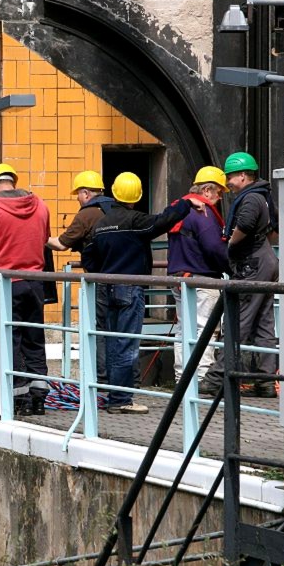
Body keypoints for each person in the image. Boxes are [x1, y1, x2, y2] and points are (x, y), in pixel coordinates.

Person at [84, 172, 201, 414]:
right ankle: (121, 399)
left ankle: (113, 394)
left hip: (105, 287)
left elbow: (89, 259)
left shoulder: (101, 225)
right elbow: (162, 221)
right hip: (129, 288)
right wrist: (186, 203)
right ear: (136, 197)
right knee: (126, 344)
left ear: (114, 193)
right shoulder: (135, 220)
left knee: (112, 342)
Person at [0, 164, 51, 416]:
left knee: (10, 339)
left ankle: (18, 395)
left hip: (6, 283)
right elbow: (45, 237)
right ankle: (39, 396)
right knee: (35, 338)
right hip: (35, 281)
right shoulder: (40, 205)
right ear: (13, 183)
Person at [199, 152, 279, 398]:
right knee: (264, 322)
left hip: (252, 263)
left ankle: (217, 377)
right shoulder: (263, 195)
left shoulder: (251, 199)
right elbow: (274, 232)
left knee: (238, 319)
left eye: (231, 177)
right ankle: (265, 380)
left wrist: (230, 246)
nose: (228, 184)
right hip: (265, 260)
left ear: (243, 175)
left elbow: (243, 226)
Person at [46, 170, 115, 382]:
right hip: (125, 278)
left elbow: (61, 244)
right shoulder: (116, 208)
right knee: (121, 332)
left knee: (100, 331)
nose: (77, 198)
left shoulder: (87, 214)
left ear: (86, 193)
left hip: (100, 280)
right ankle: (122, 382)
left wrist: (37, 235)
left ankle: (101, 381)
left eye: (78, 193)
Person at [166, 166, 229, 387]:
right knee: (206, 329)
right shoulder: (204, 214)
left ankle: (181, 377)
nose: (220, 197)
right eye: (219, 191)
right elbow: (213, 247)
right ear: (207, 190)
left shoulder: (179, 209)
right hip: (201, 279)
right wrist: (229, 265)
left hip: (178, 278)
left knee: (184, 329)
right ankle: (201, 378)